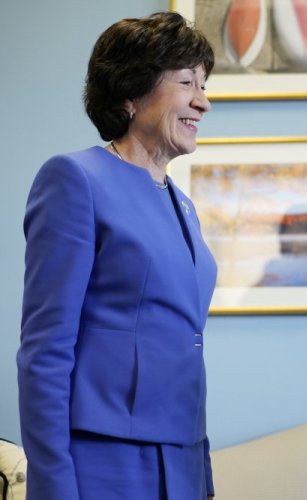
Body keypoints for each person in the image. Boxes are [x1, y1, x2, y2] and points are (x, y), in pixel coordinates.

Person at [18, 12, 217, 500]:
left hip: (182, 458)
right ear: (131, 91)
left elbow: (185, 343)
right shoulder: (75, 179)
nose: (203, 101)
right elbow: (45, 350)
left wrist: (203, 475)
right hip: (103, 459)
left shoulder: (182, 204)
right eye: (187, 81)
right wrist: (54, 488)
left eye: (205, 84)